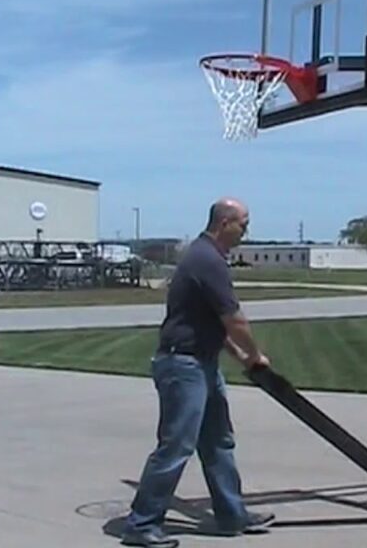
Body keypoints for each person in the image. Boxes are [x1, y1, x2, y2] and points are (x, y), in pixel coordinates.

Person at [121, 197, 274, 548]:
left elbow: (213, 324)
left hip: (202, 363)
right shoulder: (207, 260)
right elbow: (234, 320)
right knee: (176, 445)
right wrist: (255, 355)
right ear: (224, 223)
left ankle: (232, 515)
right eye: (244, 224)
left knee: (218, 441)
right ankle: (141, 523)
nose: (247, 231)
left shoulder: (207, 257)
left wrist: (241, 357)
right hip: (183, 365)